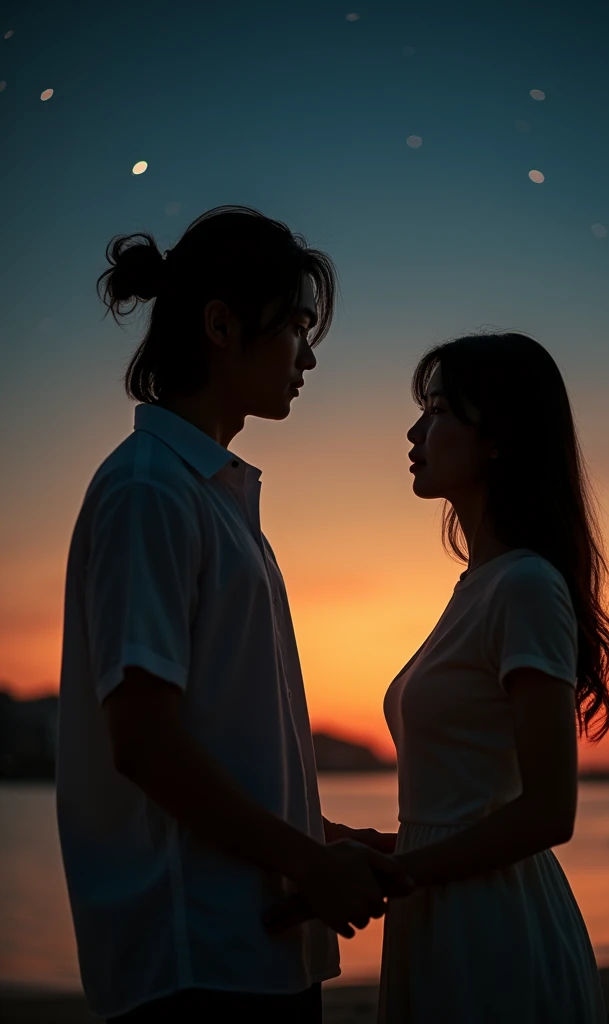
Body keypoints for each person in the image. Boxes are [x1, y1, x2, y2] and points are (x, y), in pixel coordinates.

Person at [56, 206, 411, 1024]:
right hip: (197, 962)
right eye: (294, 326)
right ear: (221, 325)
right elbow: (144, 742)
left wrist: (322, 840)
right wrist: (305, 863)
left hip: (256, 951)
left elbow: (226, 738)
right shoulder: (149, 490)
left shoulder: (214, 499)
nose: (308, 356)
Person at [377, 332, 609, 1022]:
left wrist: (399, 872)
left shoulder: (524, 586)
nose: (415, 430)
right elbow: (463, 804)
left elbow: (549, 811)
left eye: (438, 410)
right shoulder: (482, 587)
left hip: (493, 932)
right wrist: (375, 846)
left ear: (496, 438)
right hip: (437, 906)